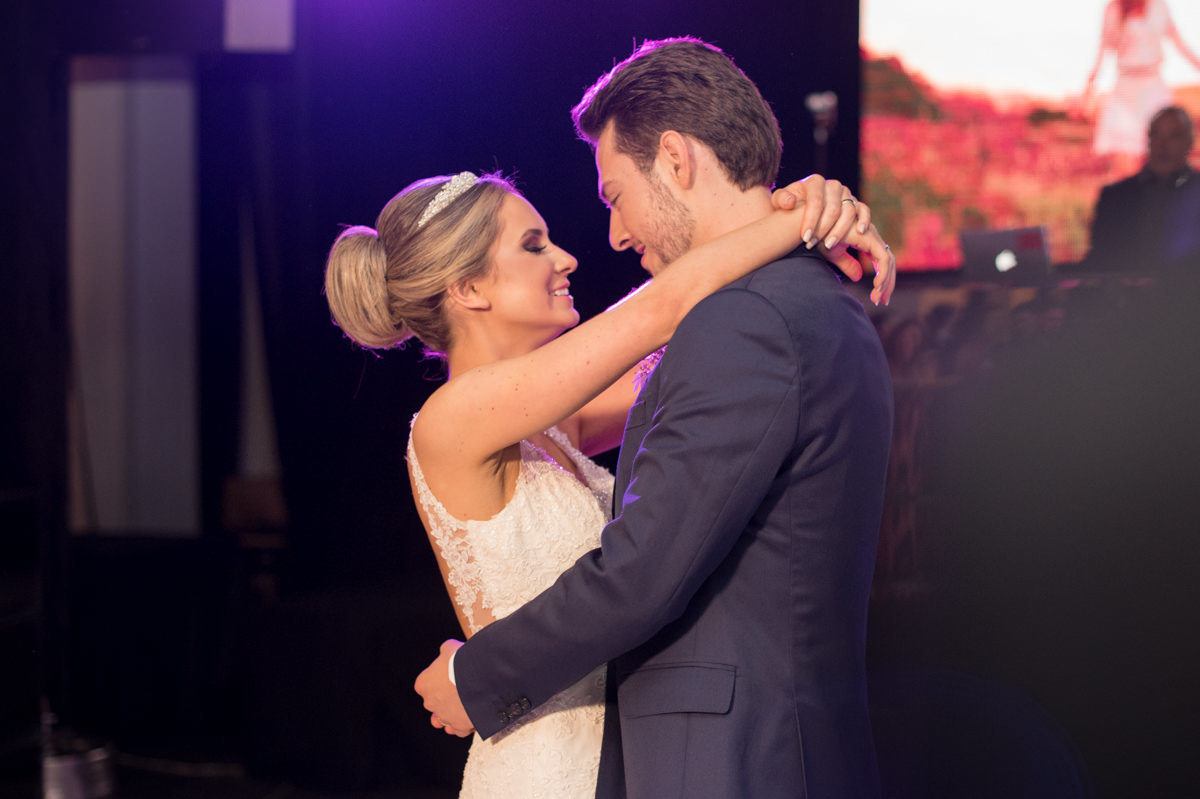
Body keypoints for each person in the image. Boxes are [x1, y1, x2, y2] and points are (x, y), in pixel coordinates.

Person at [415, 37, 895, 798]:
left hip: (716, 754)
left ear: (675, 159)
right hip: (576, 756)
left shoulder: (745, 321)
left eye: (612, 196)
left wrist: (474, 677)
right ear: (467, 288)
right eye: (535, 244)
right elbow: (666, 314)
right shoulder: (462, 416)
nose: (592, 246)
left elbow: (641, 571)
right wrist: (793, 214)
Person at [1084, 105, 1200, 272]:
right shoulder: (1115, 196)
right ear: (1148, 139)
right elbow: (1099, 261)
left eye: (1173, 136)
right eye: (1156, 135)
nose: (1163, 145)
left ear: (1189, 142)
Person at [1084, 0, 1200, 162]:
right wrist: (1090, 85)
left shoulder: (1160, 6)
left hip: (1153, 86)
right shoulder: (1114, 8)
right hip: (1125, 87)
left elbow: (1179, 43)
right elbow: (1104, 48)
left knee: (1158, 150)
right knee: (1125, 154)